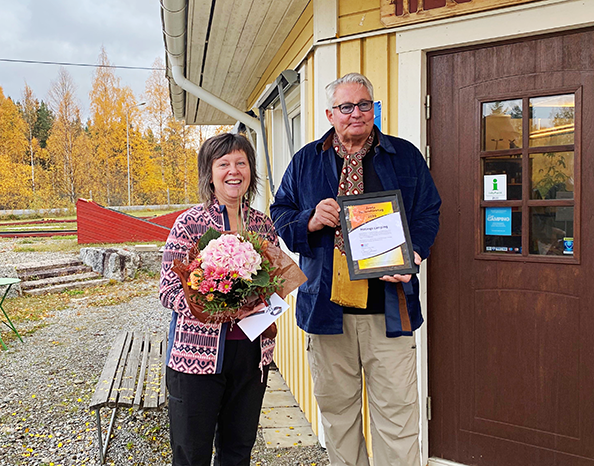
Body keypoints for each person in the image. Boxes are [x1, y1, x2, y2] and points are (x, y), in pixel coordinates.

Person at [270, 73, 441, 466]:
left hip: (389, 309)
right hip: (327, 312)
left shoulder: (405, 156)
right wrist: (309, 221)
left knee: (397, 418)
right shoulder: (306, 162)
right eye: (346, 107)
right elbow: (280, 213)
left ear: (373, 109)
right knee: (339, 418)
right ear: (331, 114)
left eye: (365, 105)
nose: (356, 114)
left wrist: (413, 254)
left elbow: (428, 211)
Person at [159, 132, 278, 466]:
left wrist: (264, 300)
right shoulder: (190, 224)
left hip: (252, 356)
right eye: (223, 163)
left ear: (250, 171)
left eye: (241, 162)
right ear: (209, 173)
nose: (233, 170)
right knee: (191, 452)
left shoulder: (263, 225)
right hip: (196, 357)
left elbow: (275, 282)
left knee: (238, 450)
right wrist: (222, 308)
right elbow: (169, 291)